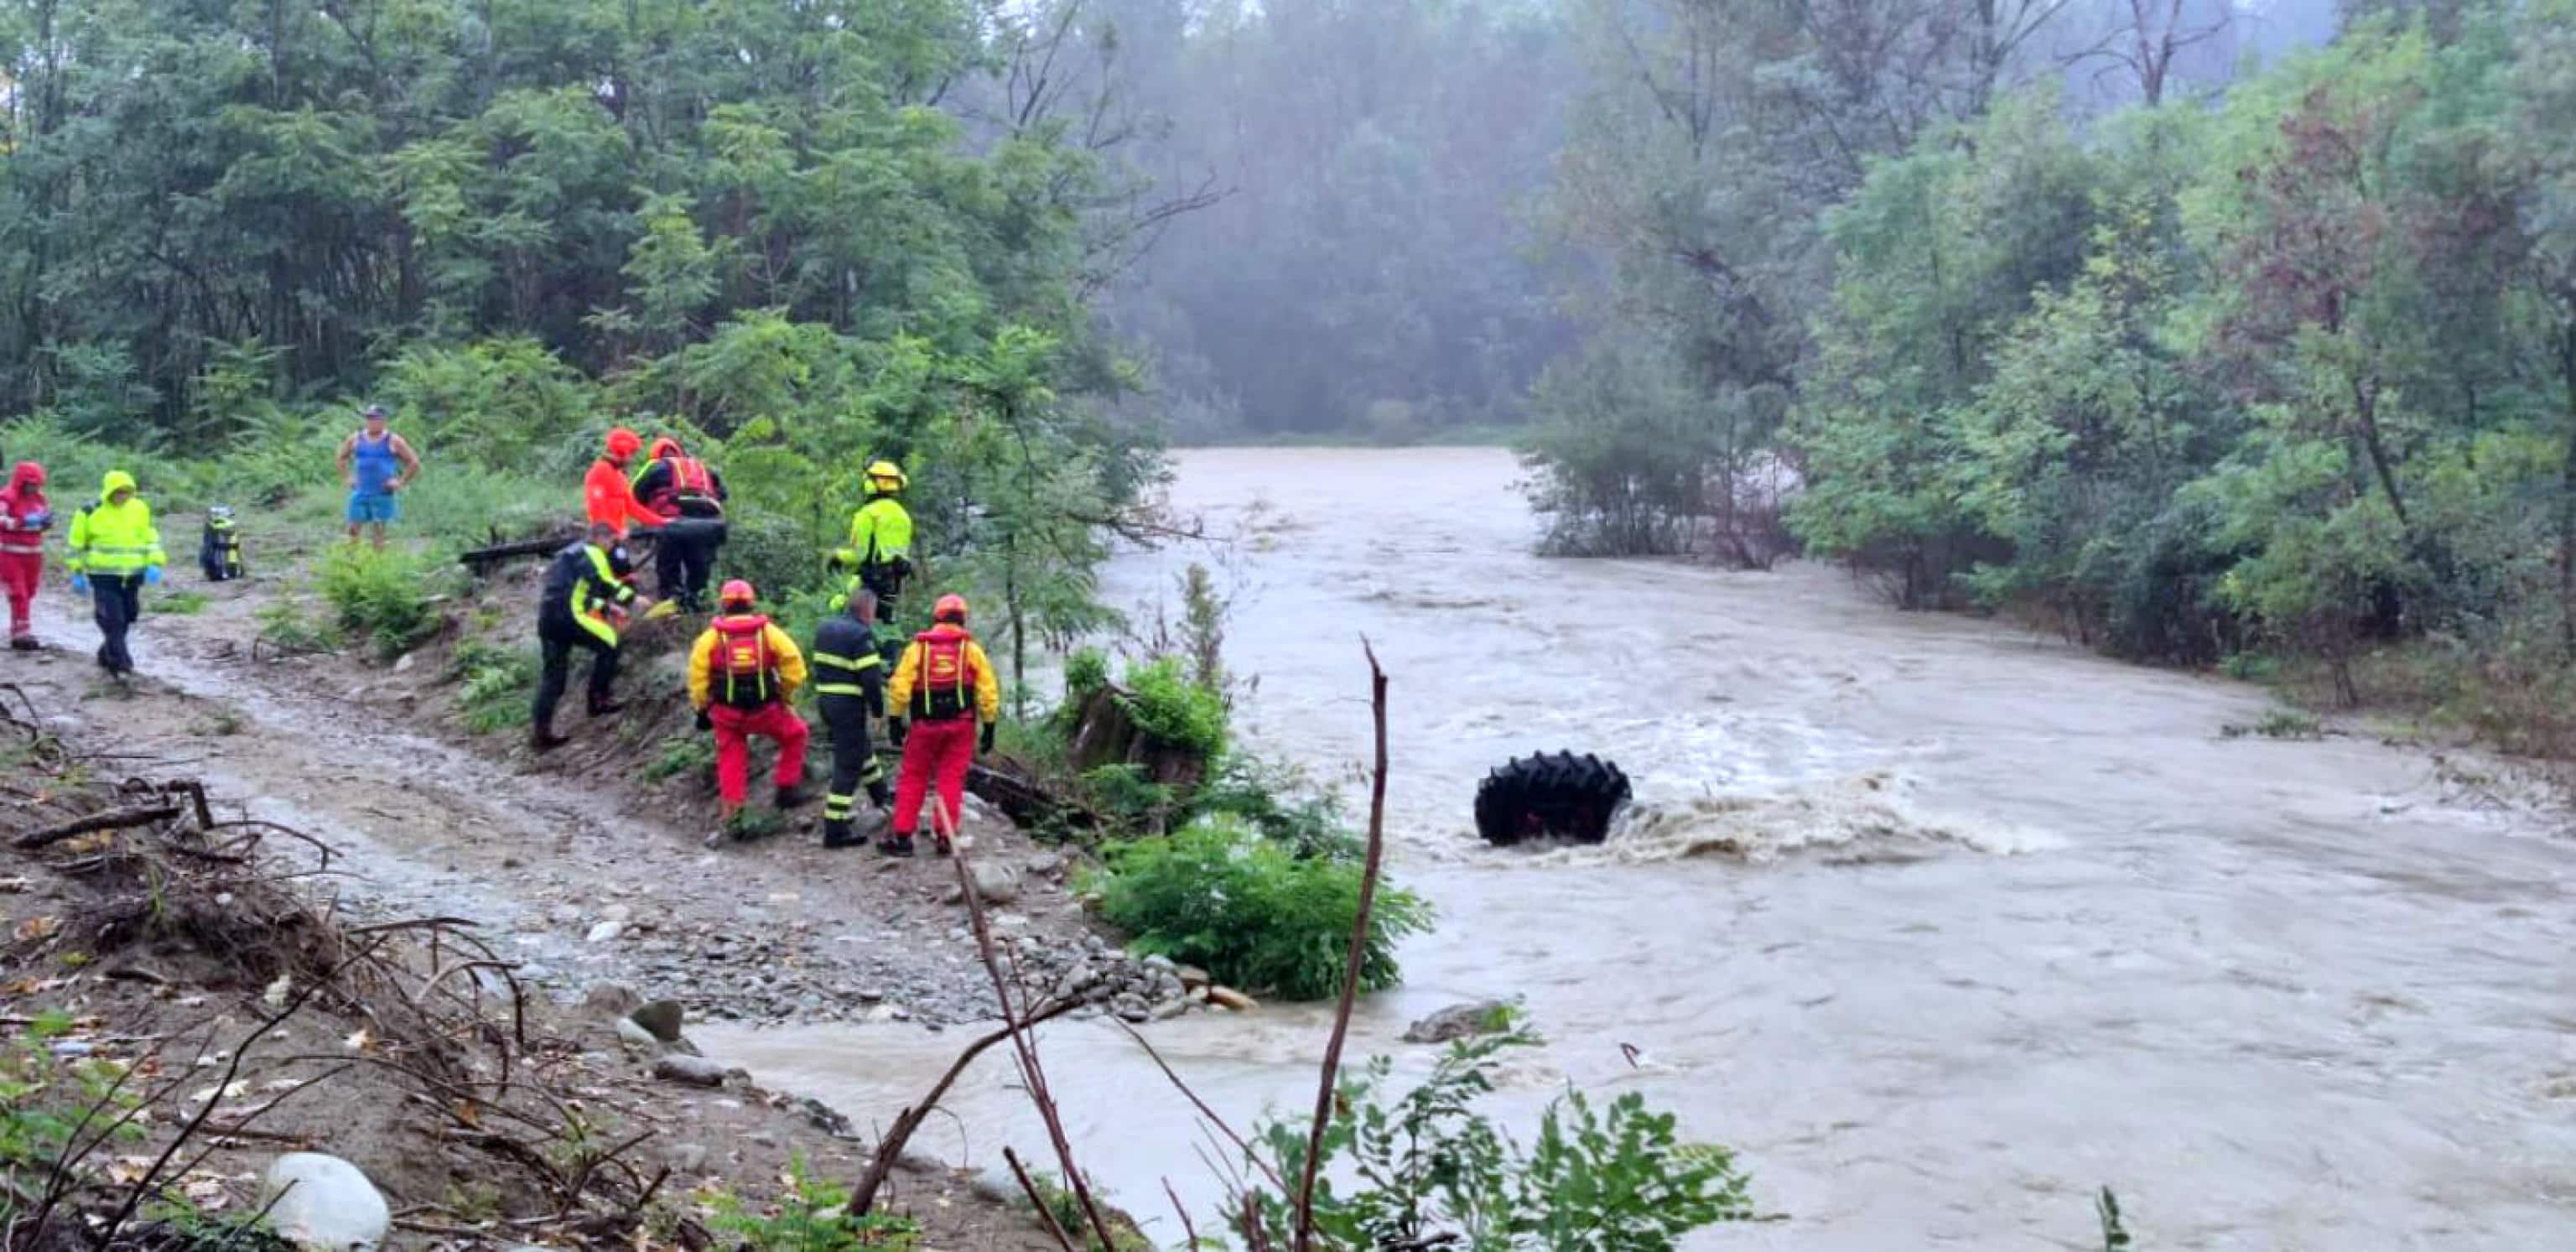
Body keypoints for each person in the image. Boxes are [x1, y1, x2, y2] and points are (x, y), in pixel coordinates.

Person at [688, 579, 813, 838]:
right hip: (766, 711)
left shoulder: (710, 639)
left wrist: (701, 709)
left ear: (723, 604)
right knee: (796, 734)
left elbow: (698, 680)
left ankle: (733, 818)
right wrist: (785, 696)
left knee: (731, 761)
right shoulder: (769, 633)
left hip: (726, 714)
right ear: (751, 602)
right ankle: (787, 789)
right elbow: (795, 669)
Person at [882, 593, 1000, 857]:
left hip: (924, 726)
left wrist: (894, 719)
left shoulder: (918, 650)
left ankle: (902, 838)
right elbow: (987, 691)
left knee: (913, 777)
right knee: (951, 778)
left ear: (937, 617)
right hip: (961, 726)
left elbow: (900, 687)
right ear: (963, 620)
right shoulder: (971, 650)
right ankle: (945, 836)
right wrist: (990, 725)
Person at [530, 522, 651, 751]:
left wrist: (606, 608)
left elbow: (575, 591)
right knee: (610, 643)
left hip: (548, 618)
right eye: (611, 542)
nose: (611, 548)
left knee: (552, 679)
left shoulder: (568, 555)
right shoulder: (593, 552)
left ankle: (540, 734)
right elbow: (607, 583)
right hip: (568, 616)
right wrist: (633, 599)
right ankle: (598, 701)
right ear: (599, 538)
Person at [65, 470, 166, 681]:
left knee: (130, 614)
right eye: (119, 492)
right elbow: (76, 544)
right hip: (103, 575)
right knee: (115, 619)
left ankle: (107, 651)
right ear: (109, 491)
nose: (123, 496)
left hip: (132, 574)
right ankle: (121, 663)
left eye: (127, 492)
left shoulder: (140, 509)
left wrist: (154, 562)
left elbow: (149, 536)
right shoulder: (89, 511)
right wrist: (77, 571)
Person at [812, 588, 892, 849]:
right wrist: (879, 711)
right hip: (848, 706)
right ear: (867, 610)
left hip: (826, 703)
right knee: (848, 767)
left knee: (860, 749)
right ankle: (835, 830)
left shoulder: (825, 629)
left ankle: (882, 795)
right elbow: (871, 678)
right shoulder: (860, 635)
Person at [631, 435, 729, 611]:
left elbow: (636, 492)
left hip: (673, 525)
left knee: (669, 570)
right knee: (699, 571)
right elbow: (723, 494)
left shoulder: (656, 466)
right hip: (709, 526)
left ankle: (672, 606)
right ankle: (697, 605)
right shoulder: (702, 468)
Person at [833, 460, 913, 661]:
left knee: (839, 608)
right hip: (894, 584)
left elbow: (859, 555)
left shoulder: (867, 515)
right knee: (887, 627)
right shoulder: (903, 516)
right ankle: (887, 672)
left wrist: (837, 557)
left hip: (869, 581)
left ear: (872, 483)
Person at [336, 404, 420, 549]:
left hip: (382, 492)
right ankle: (352, 561)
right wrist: (347, 477)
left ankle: (377, 563)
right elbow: (342, 457)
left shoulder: (393, 440)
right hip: (360, 491)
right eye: (368, 418)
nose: (371, 422)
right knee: (353, 528)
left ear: (383, 420)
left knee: (379, 530)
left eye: (374, 418)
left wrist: (400, 482)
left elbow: (414, 462)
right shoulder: (356, 438)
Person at [0, 462, 52, 650]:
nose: (33, 487)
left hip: (34, 552)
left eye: (37, 484)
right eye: (30, 483)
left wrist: (46, 522)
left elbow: (44, 520)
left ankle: (19, 625)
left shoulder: (40, 499)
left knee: (29, 591)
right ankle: (21, 631)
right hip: (11, 553)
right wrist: (20, 522)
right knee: (18, 591)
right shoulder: (7, 497)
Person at [584, 428, 666, 539]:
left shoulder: (620, 475)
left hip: (616, 537)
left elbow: (632, 507)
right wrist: (611, 534)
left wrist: (661, 522)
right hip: (604, 539)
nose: (631, 459)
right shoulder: (600, 471)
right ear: (622, 451)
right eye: (631, 453)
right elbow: (596, 508)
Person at [199, 506, 246, 582]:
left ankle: (225, 572)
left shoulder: (211, 525)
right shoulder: (225, 525)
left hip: (219, 567)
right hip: (223, 566)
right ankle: (230, 571)